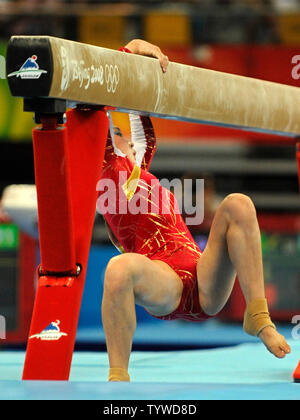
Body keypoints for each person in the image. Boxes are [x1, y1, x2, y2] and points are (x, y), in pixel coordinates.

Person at [98, 39, 291, 382]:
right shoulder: (105, 172)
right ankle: (118, 377)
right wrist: (127, 56)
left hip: (203, 280)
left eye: (120, 133)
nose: (119, 136)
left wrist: (142, 49)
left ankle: (258, 316)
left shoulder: (140, 166)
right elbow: (102, 93)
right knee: (118, 269)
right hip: (163, 280)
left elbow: (134, 105)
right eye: (113, 134)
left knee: (237, 204)